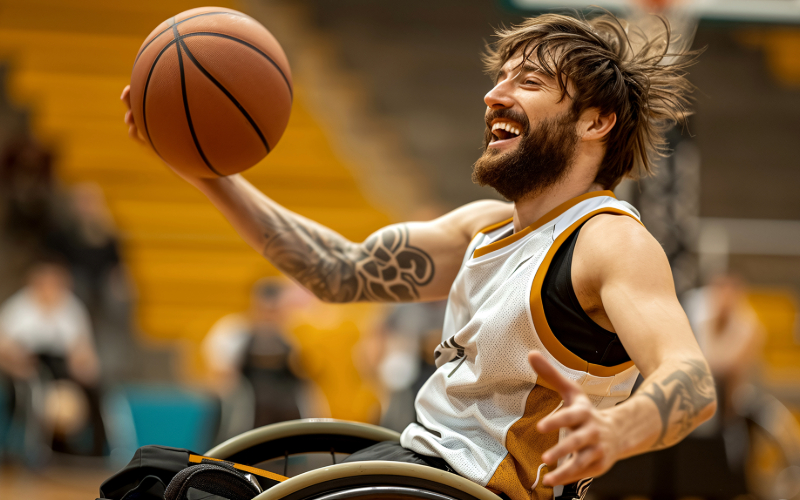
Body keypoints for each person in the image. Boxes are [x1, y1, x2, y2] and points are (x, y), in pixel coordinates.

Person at [122, 11, 716, 500]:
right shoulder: (486, 228)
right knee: (152, 478)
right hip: (408, 468)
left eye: (528, 83)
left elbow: (690, 380)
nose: (493, 95)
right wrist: (203, 171)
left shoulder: (609, 241)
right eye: (501, 78)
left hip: (463, 491)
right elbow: (338, 271)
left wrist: (617, 428)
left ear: (596, 120)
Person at [0, 259, 105, 456]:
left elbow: (83, 350)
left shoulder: (73, 308)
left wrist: (84, 366)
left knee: (94, 389)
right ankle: (26, 448)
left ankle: (94, 449)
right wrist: (16, 364)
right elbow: (4, 348)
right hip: (30, 368)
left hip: (62, 369)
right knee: (30, 393)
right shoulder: (18, 308)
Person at [202, 279, 305, 436]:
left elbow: (304, 374)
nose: (269, 317)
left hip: (284, 407)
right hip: (245, 406)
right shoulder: (232, 332)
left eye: (274, 311)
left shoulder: (294, 334)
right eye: (265, 310)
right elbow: (219, 377)